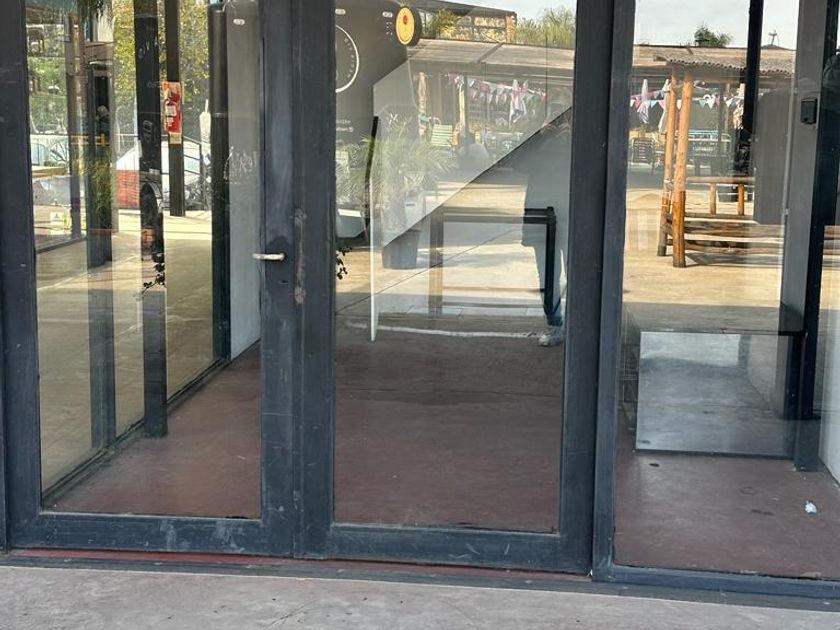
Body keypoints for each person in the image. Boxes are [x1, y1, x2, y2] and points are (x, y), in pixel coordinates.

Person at [513, 96, 572, 347]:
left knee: (575, 272)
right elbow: (517, 163)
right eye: (553, 111)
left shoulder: (576, 136)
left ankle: (575, 325)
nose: (558, 117)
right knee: (547, 275)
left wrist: (573, 137)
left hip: (571, 210)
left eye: (563, 111)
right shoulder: (537, 136)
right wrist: (539, 136)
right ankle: (554, 324)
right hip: (541, 211)